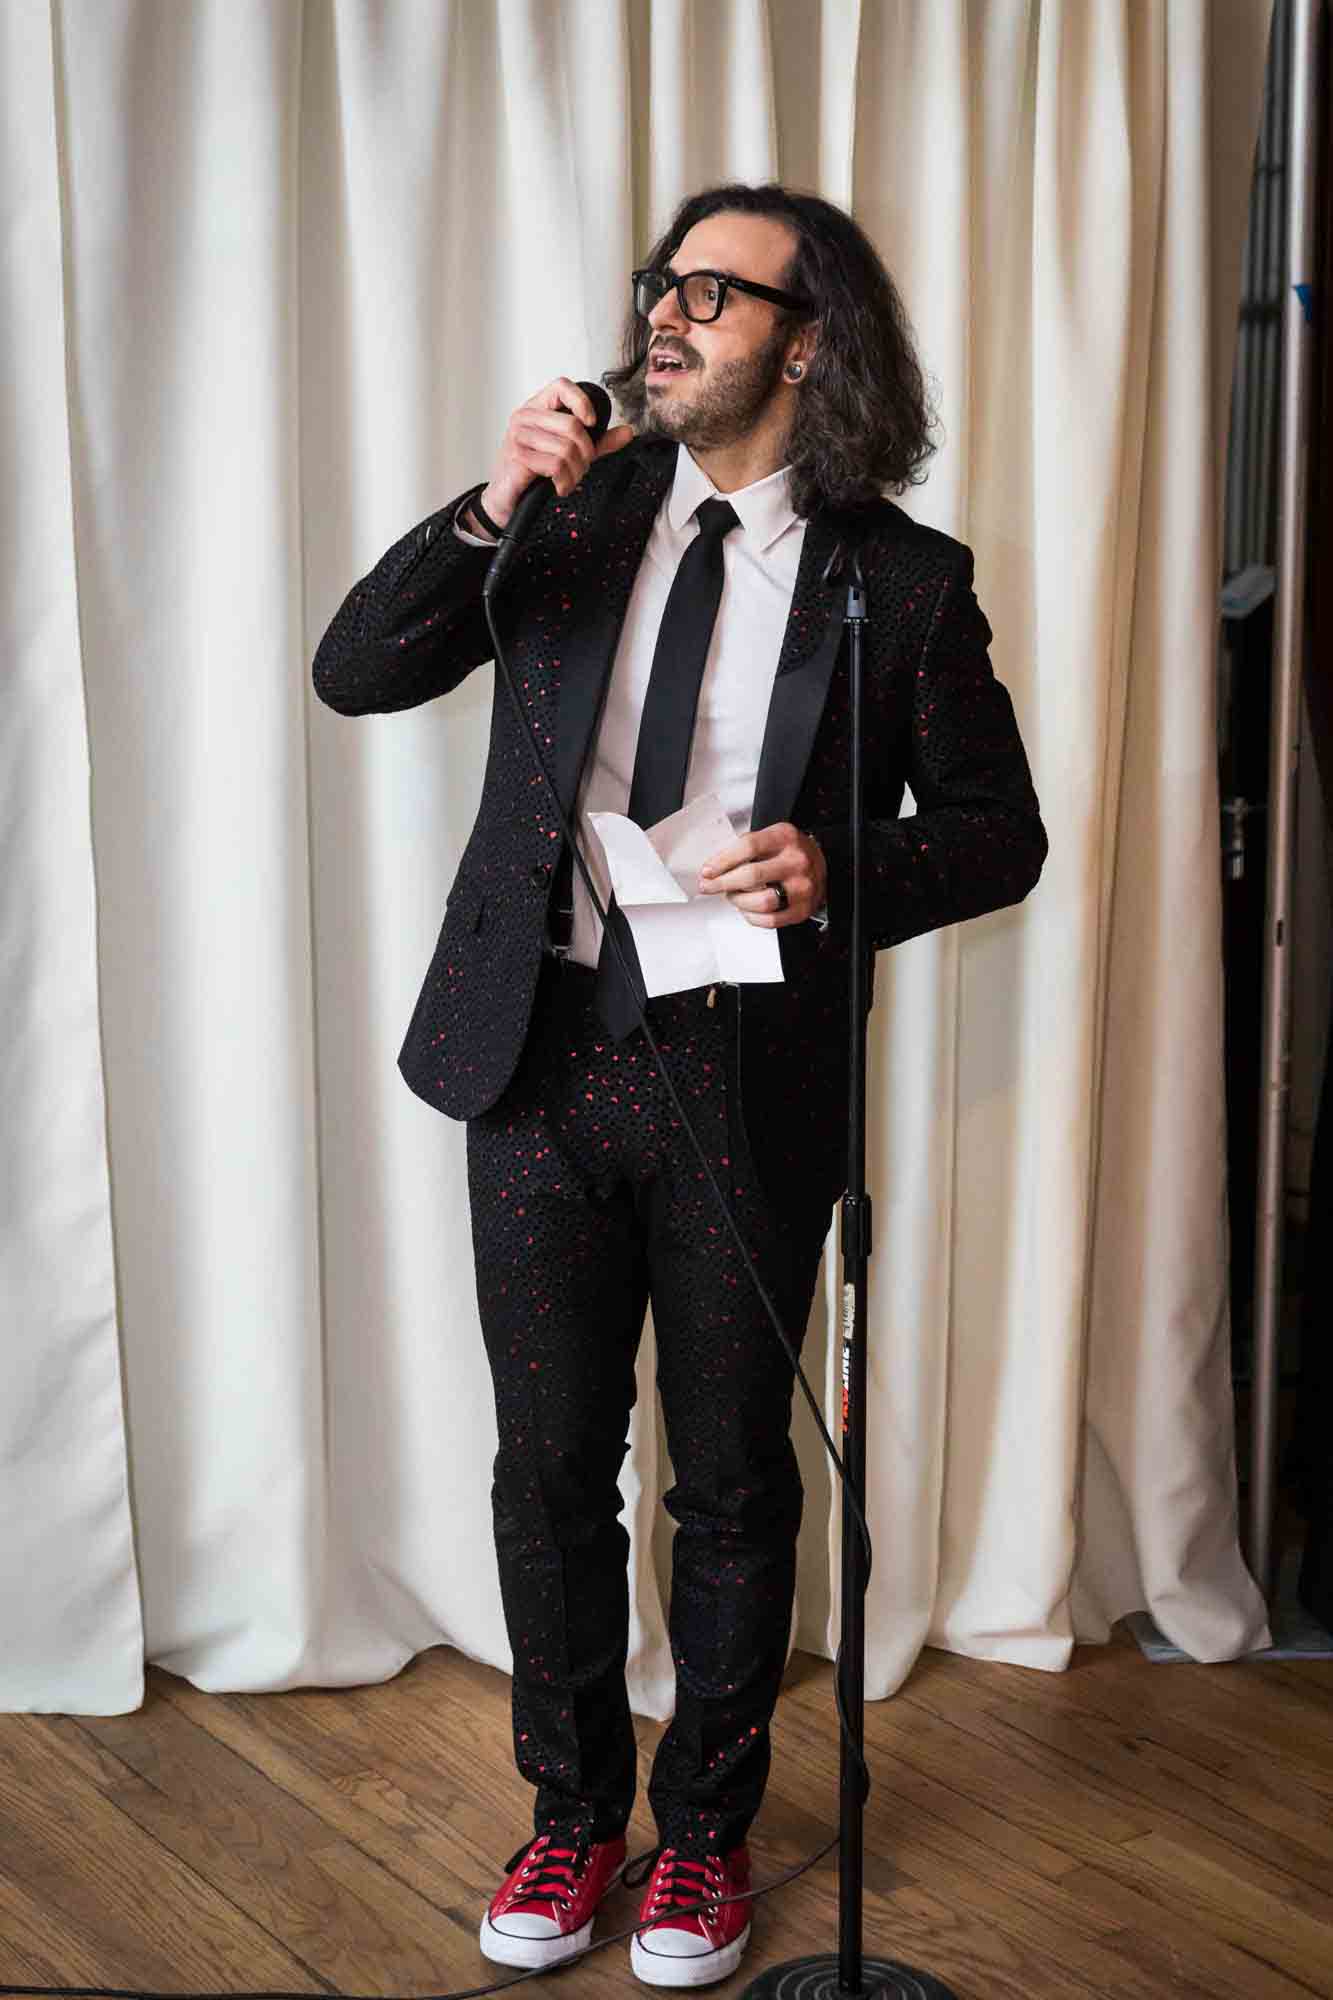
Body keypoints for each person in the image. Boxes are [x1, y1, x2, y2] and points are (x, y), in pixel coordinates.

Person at [312, 181, 1047, 1990]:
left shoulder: (898, 578)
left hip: (738, 1069)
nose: (671, 312)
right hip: (539, 1056)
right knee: (549, 1467)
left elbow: (998, 835)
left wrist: (837, 873)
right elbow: (356, 672)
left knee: (728, 1482)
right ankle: (570, 1820)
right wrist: (492, 503)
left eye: (717, 292)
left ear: (807, 339)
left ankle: (705, 1845)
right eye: (664, 282)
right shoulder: (569, 520)